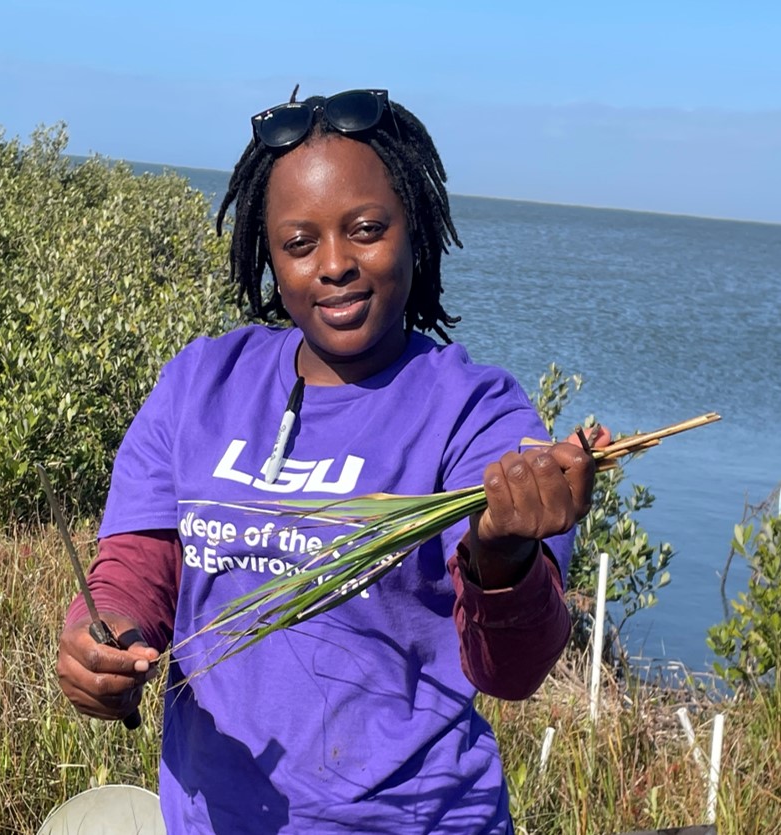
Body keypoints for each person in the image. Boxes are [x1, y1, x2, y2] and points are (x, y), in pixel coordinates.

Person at [58, 88, 610, 834]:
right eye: (300, 242)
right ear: (270, 256)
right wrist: (108, 637)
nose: (336, 264)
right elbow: (139, 563)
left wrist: (501, 553)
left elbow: (513, 669)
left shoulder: (477, 414)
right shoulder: (200, 383)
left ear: (414, 228)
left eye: (366, 229)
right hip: (214, 818)